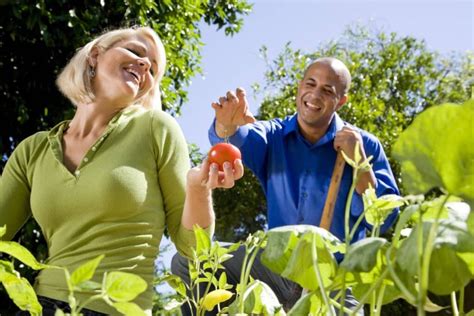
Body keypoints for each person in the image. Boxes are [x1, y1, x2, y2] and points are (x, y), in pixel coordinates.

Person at [0, 26, 243, 316]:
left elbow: (195, 250)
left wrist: (198, 190)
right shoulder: (33, 150)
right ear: (94, 56)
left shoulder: (155, 129)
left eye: (152, 69)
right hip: (39, 307)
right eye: (135, 52)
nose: (144, 65)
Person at [172, 57, 399, 313]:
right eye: (310, 84)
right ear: (299, 87)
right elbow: (239, 139)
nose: (314, 94)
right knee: (188, 262)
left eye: (327, 90)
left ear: (341, 101)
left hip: (334, 277)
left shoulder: (364, 145)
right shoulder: (273, 134)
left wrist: (360, 164)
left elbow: (385, 217)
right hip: (275, 267)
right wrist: (227, 124)